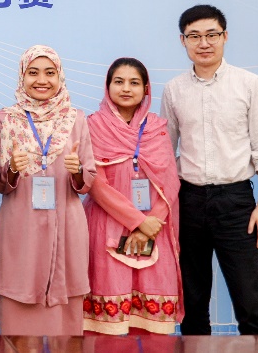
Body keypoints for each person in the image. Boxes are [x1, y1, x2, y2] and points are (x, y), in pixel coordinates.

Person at [161, 4, 258, 335]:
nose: (204, 43)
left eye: (211, 34)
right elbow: (165, 153)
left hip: (236, 202)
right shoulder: (174, 90)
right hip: (189, 201)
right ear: (183, 41)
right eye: (194, 36)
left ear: (225, 36)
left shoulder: (250, 84)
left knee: (249, 302)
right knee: (192, 304)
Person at [0, 45, 95, 336]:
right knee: (19, 317)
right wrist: (12, 168)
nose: (41, 80)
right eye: (33, 73)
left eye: (50, 73)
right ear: (22, 77)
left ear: (60, 77)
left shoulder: (76, 118)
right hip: (21, 226)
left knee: (67, 330)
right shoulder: (5, 119)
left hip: (67, 227)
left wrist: (77, 170)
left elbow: (88, 180)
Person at [82, 57, 182, 334]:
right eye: (119, 82)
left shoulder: (157, 127)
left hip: (155, 228)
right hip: (107, 225)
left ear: (146, 89)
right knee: (108, 323)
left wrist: (150, 224)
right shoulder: (93, 125)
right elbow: (96, 184)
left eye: (134, 83)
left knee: (152, 321)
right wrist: (138, 221)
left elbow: (170, 180)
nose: (126, 88)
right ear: (108, 87)